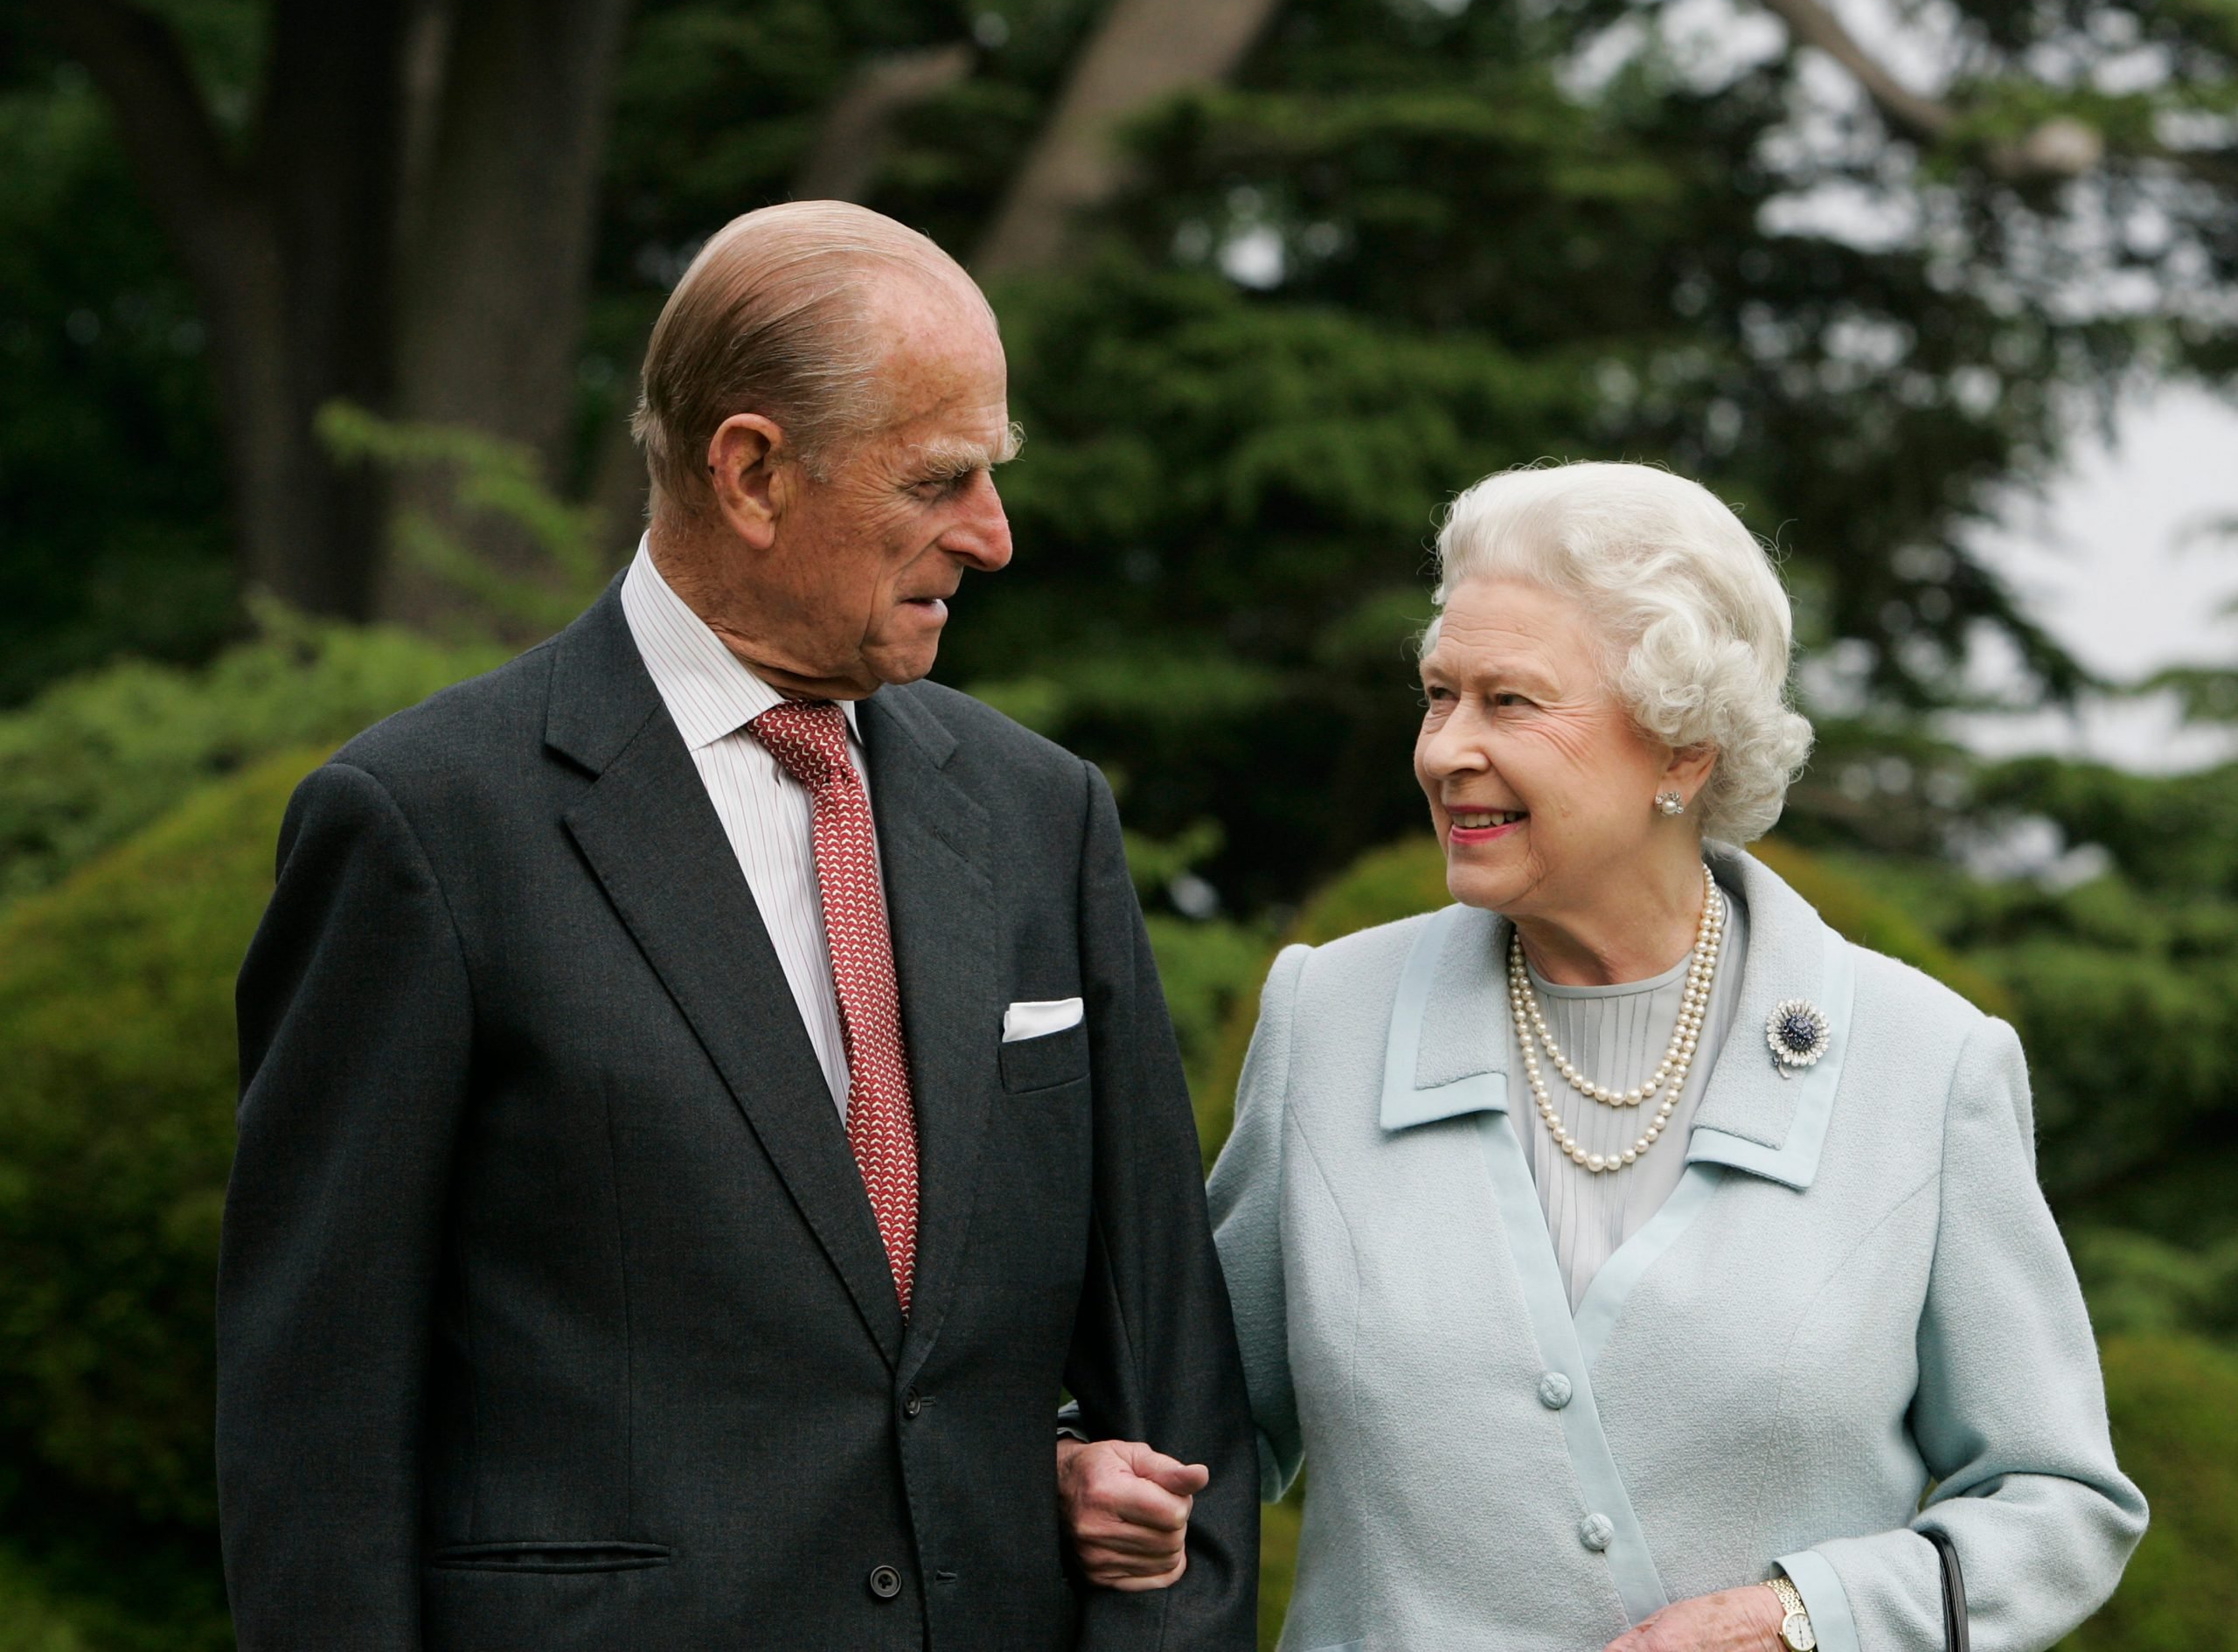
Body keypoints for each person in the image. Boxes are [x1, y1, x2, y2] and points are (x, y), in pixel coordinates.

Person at [219, 201, 1257, 1651]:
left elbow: (1174, 1379)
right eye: (941, 479)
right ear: (754, 473)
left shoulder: (1043, 817)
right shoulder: (422, 827)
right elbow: (312, 1430)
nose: (994, 536)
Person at [1062, 461, 2146, 1651]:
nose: (1443, 751)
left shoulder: (1926, 1065)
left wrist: (1801, 1620)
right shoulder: (1331, 1015)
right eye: (1439, 695)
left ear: (1683, 751)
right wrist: (1091, 1469)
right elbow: (1194, 1419)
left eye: (1511, 703)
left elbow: (2060, 1506)